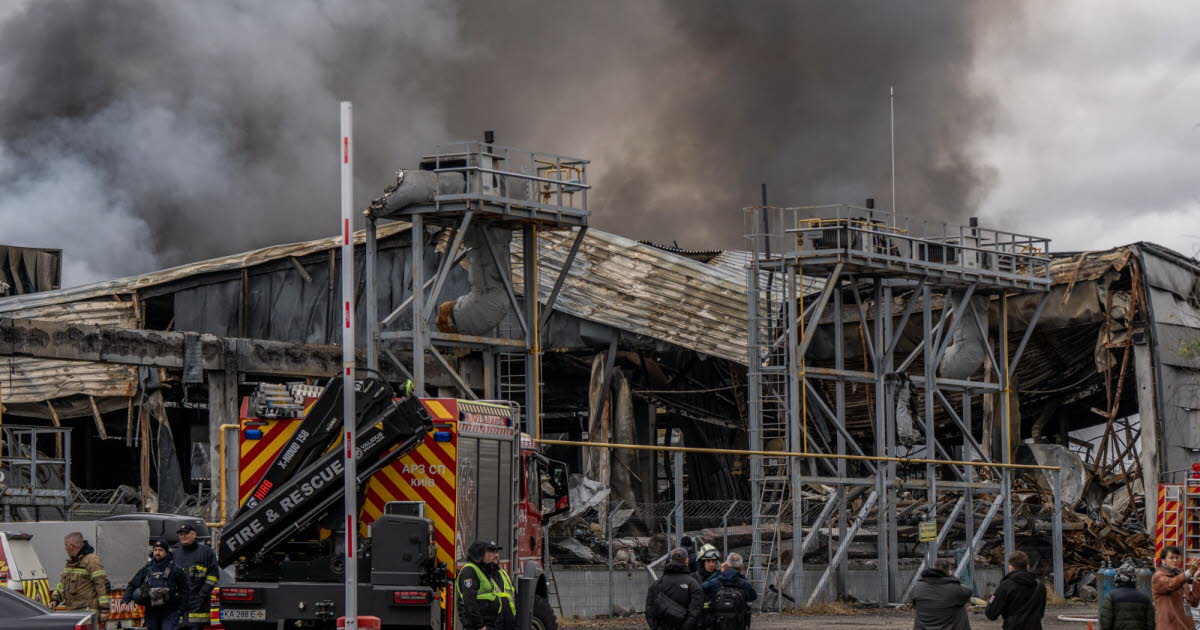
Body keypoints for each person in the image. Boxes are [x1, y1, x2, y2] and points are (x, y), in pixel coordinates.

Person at [119, 538, 188, 630]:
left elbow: (185, 591)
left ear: (166, 552)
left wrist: (180, 611)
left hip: (170, 612)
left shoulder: (176, 570)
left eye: (160, 550)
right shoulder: (147, 568)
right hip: (151, 612)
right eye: (155, 550)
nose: (157, 552)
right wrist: (124, 602)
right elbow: (132, 585)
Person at [456, 540, 516, 630]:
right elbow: (469, 602)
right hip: (478, 626)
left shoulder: (483, 570)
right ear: (479, 554)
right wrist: (479, 625)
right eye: (488, 552)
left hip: (491, 623)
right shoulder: (469, 571)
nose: (491, 556)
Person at [50, 532, 110, 613]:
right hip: (72, 611)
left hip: (88, 612)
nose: (65, 548)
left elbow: (101, 585)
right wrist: (55, 599)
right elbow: (62, 584)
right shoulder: (70, 563)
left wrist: (104, 610)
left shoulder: (92, 561)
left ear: (72, 546)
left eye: (66, 545)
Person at [984, 551, 1047, 630]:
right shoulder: (1039, 585)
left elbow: (991, 613)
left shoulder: (1006, 585)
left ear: (1011, 567)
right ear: (1027, 566)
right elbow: (1040, 612)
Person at [173, 524, 219, 630]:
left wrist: (201, 595)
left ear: (194, 535)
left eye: (186, 533)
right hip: (180, 605)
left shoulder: (207, 552)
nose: (183, 536)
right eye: (181, 534)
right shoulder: (175, 554)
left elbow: (213, 576)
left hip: (199, 607)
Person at [645, 547, 702, 630]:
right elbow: (695, 612)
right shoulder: (693, 584)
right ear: (687, 561)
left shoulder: (656, 584)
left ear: (670, 560)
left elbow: (649, 612)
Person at [910, 557, 971, 630]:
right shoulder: (954, 588)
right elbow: (968, 592)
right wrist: (952, 578)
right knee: (960, 607)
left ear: (934, 567)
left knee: (920, 607)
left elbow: (914, 604)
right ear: (949, 571)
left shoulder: (918, 586)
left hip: (922, 627)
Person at [701, 553, 756, 630]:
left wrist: (719, 572)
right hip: (738, 625)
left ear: (726, 565)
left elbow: (703, 586)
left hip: (717, 625)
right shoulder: (744, 584)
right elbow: (753, 597)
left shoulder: (716, 581)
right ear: (741, 567)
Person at [1153, 546, 1200, 630]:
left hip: (1185, 626)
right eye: (1171, 558)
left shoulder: (1179, 577)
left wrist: (1196, 579)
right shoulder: (1158, 576)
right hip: (1169, 626)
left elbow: (1194, 602)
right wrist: (1189, 572)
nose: (1175, 561)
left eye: (1177, 558)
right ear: (1163, 560)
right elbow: (1171, 584)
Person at [1099, 565, 1154, 630]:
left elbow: (1105, 622)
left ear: (1117, 578)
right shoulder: (1145, 598)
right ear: (1134, 579)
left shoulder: (1111, 597)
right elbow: (1151, 623)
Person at [692, 545, 722, 630]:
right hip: (699, 619)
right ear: (702, 562)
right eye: (708, 561)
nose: (711, 564)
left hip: (716, 619)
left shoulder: (721, 577)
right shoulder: (693, 577)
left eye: (714, 561)